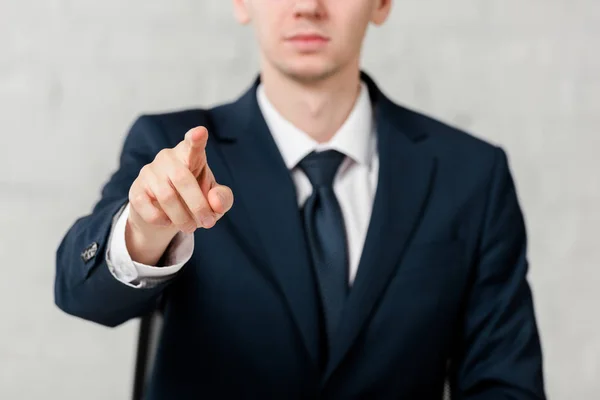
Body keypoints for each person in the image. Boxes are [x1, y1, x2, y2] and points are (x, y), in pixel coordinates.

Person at [54, 0, 546, 398]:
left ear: (382, 3)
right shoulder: (171, 148)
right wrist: (143, 231)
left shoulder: (471, 176)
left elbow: (505, 383)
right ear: (242, 2)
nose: (308, 6)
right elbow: (83, 294)